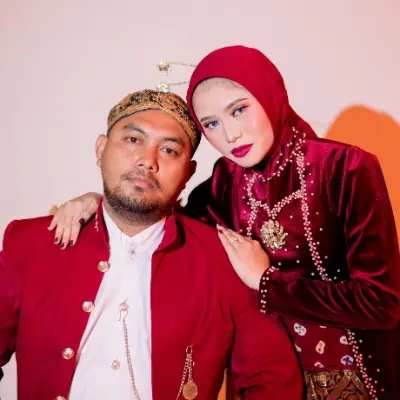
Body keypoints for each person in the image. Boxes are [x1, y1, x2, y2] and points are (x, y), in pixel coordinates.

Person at [48, 46, 400, 400]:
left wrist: (267, 283)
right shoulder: (225, 181)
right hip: (261, 385)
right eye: (212, 124)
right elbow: (160, 225)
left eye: (239, 110)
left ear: (269, 95)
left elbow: (382, 304)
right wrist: (99, 202)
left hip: (352, 383)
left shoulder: (344, 168)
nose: (230, 135)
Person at [0, 89, 303, 400]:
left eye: (169, 150)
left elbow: (274, 382)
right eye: (133, 140)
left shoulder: (227, 261)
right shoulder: (31, 244)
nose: (148, 161)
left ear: (188, 173)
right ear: (101, 149)